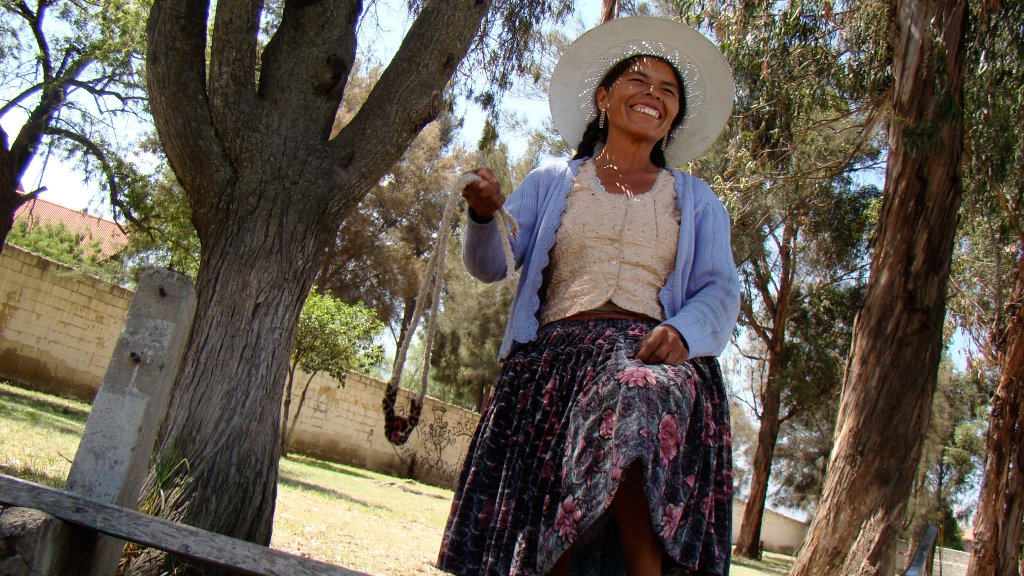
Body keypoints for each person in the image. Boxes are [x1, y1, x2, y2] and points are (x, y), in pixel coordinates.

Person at [437, 17, 740, 576]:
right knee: (619, 400)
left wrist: (682, 332)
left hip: (648, 354)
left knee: (635, 393)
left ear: (674, 116)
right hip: (555, 361)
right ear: (603, 97)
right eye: (638, 80)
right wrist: (482, 216)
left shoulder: (697, 201)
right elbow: (488, 265)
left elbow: (720, 290)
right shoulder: (553, 179)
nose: (653, 94)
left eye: (668, 90)